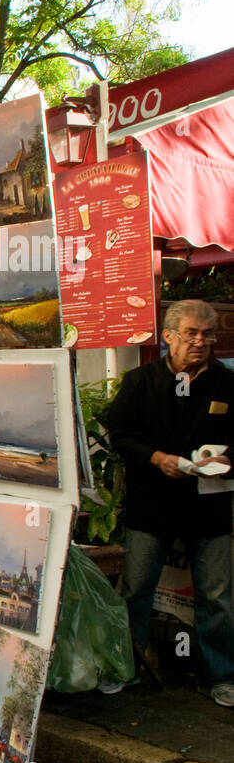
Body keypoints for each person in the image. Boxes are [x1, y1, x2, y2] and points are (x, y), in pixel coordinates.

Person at [102, 298, 234, 706]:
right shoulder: (141, 381)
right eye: (191, 333)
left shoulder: (226, 384)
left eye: (207, 335)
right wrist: (156, 458)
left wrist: (227, 460)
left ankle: (222, 674)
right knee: (136, 589)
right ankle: (125, 665)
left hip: (209, 509)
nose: (201, 342)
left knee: (217, 596)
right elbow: (119, 434)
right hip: (152, 507)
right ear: (169, 336)